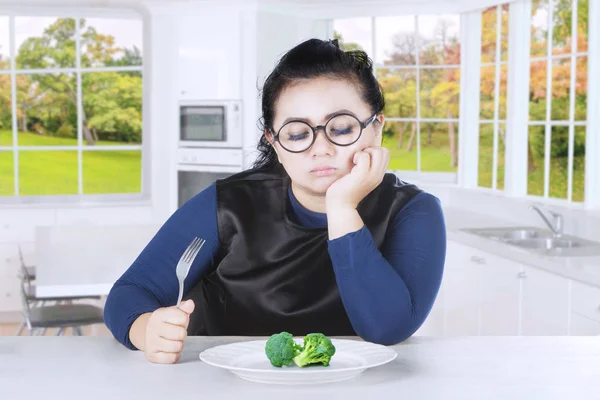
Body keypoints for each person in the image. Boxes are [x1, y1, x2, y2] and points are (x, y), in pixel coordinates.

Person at [104, 38, 446, 364]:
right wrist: (146, 330)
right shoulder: (227, 204)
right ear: (275, 142)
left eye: (341, 129)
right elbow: (130, 293)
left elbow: (387, 328)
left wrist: (340, 208)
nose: (320, 148)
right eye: (297, 134)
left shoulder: (413, 212)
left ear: (376, 128)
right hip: (226, 386)